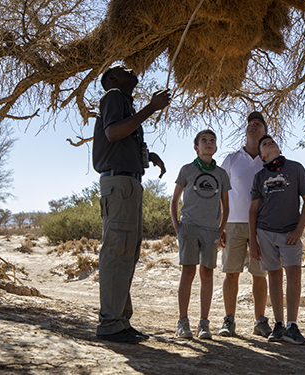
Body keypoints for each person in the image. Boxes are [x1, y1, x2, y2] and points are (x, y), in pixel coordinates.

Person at [92, 64, 171, 344]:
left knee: (127, 251)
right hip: (120, 184)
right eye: (124, 69)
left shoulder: (124, 102)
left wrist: (148, 156)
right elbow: (113, 133)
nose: (132, 70)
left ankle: (120, 320)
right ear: (113, 78)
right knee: (117, 251)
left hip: (128, 183)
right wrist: (152, 107)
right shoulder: (114, 95)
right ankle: (111, 323)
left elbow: (120, 140)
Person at [249, 134, 305, 345]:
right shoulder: (259, 176)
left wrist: (299, 230)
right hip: (265, 232)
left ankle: (292, 325)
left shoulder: (295, 168)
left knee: (294, 275)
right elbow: (253, 210)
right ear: (261, 155)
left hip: (289, 233)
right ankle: (278, 324)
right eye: (264, 144)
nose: (268, 142)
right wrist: (253, 239)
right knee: (273, 277)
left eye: (271, 141)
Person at [170, 129, 231, 340]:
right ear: (196, 147)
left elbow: (226, 206)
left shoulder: (221, 174)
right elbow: (174, 201)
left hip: (210, 230)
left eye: (212, 141)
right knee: (188, 272)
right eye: (204, 141)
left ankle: (204, 324)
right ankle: (182, 322)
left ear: (216, 147)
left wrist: (220, 231)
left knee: (207, 274)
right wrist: (178, 227)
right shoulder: (187, 170)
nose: (208, 143)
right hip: (189, 227)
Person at [217, 112, 273, 337]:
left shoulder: (270, 161)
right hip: (232, 224)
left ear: (264, 132)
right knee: (231, 273)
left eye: (258, 123)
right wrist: (220, 225)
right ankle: (228, 320)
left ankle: (260, 321)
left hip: (262, 226)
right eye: (250, 123)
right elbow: (219, 192)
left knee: (260, 275)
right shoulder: (231, 159)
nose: (253, 125)